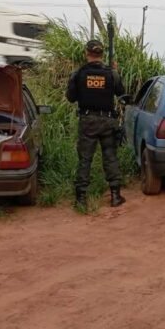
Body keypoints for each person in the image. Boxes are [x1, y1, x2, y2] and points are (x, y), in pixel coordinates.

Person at [66, 40, 126, 209]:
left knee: (85, 159)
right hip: (107, 121)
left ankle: (81, 199)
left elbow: (71, 98)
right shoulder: (111, 73)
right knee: (110, 157)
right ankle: (115, 196)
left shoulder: (79, 73)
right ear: (102, 54)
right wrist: (115, 71)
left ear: (87, 53)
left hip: (88, 121)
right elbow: (121, 92)